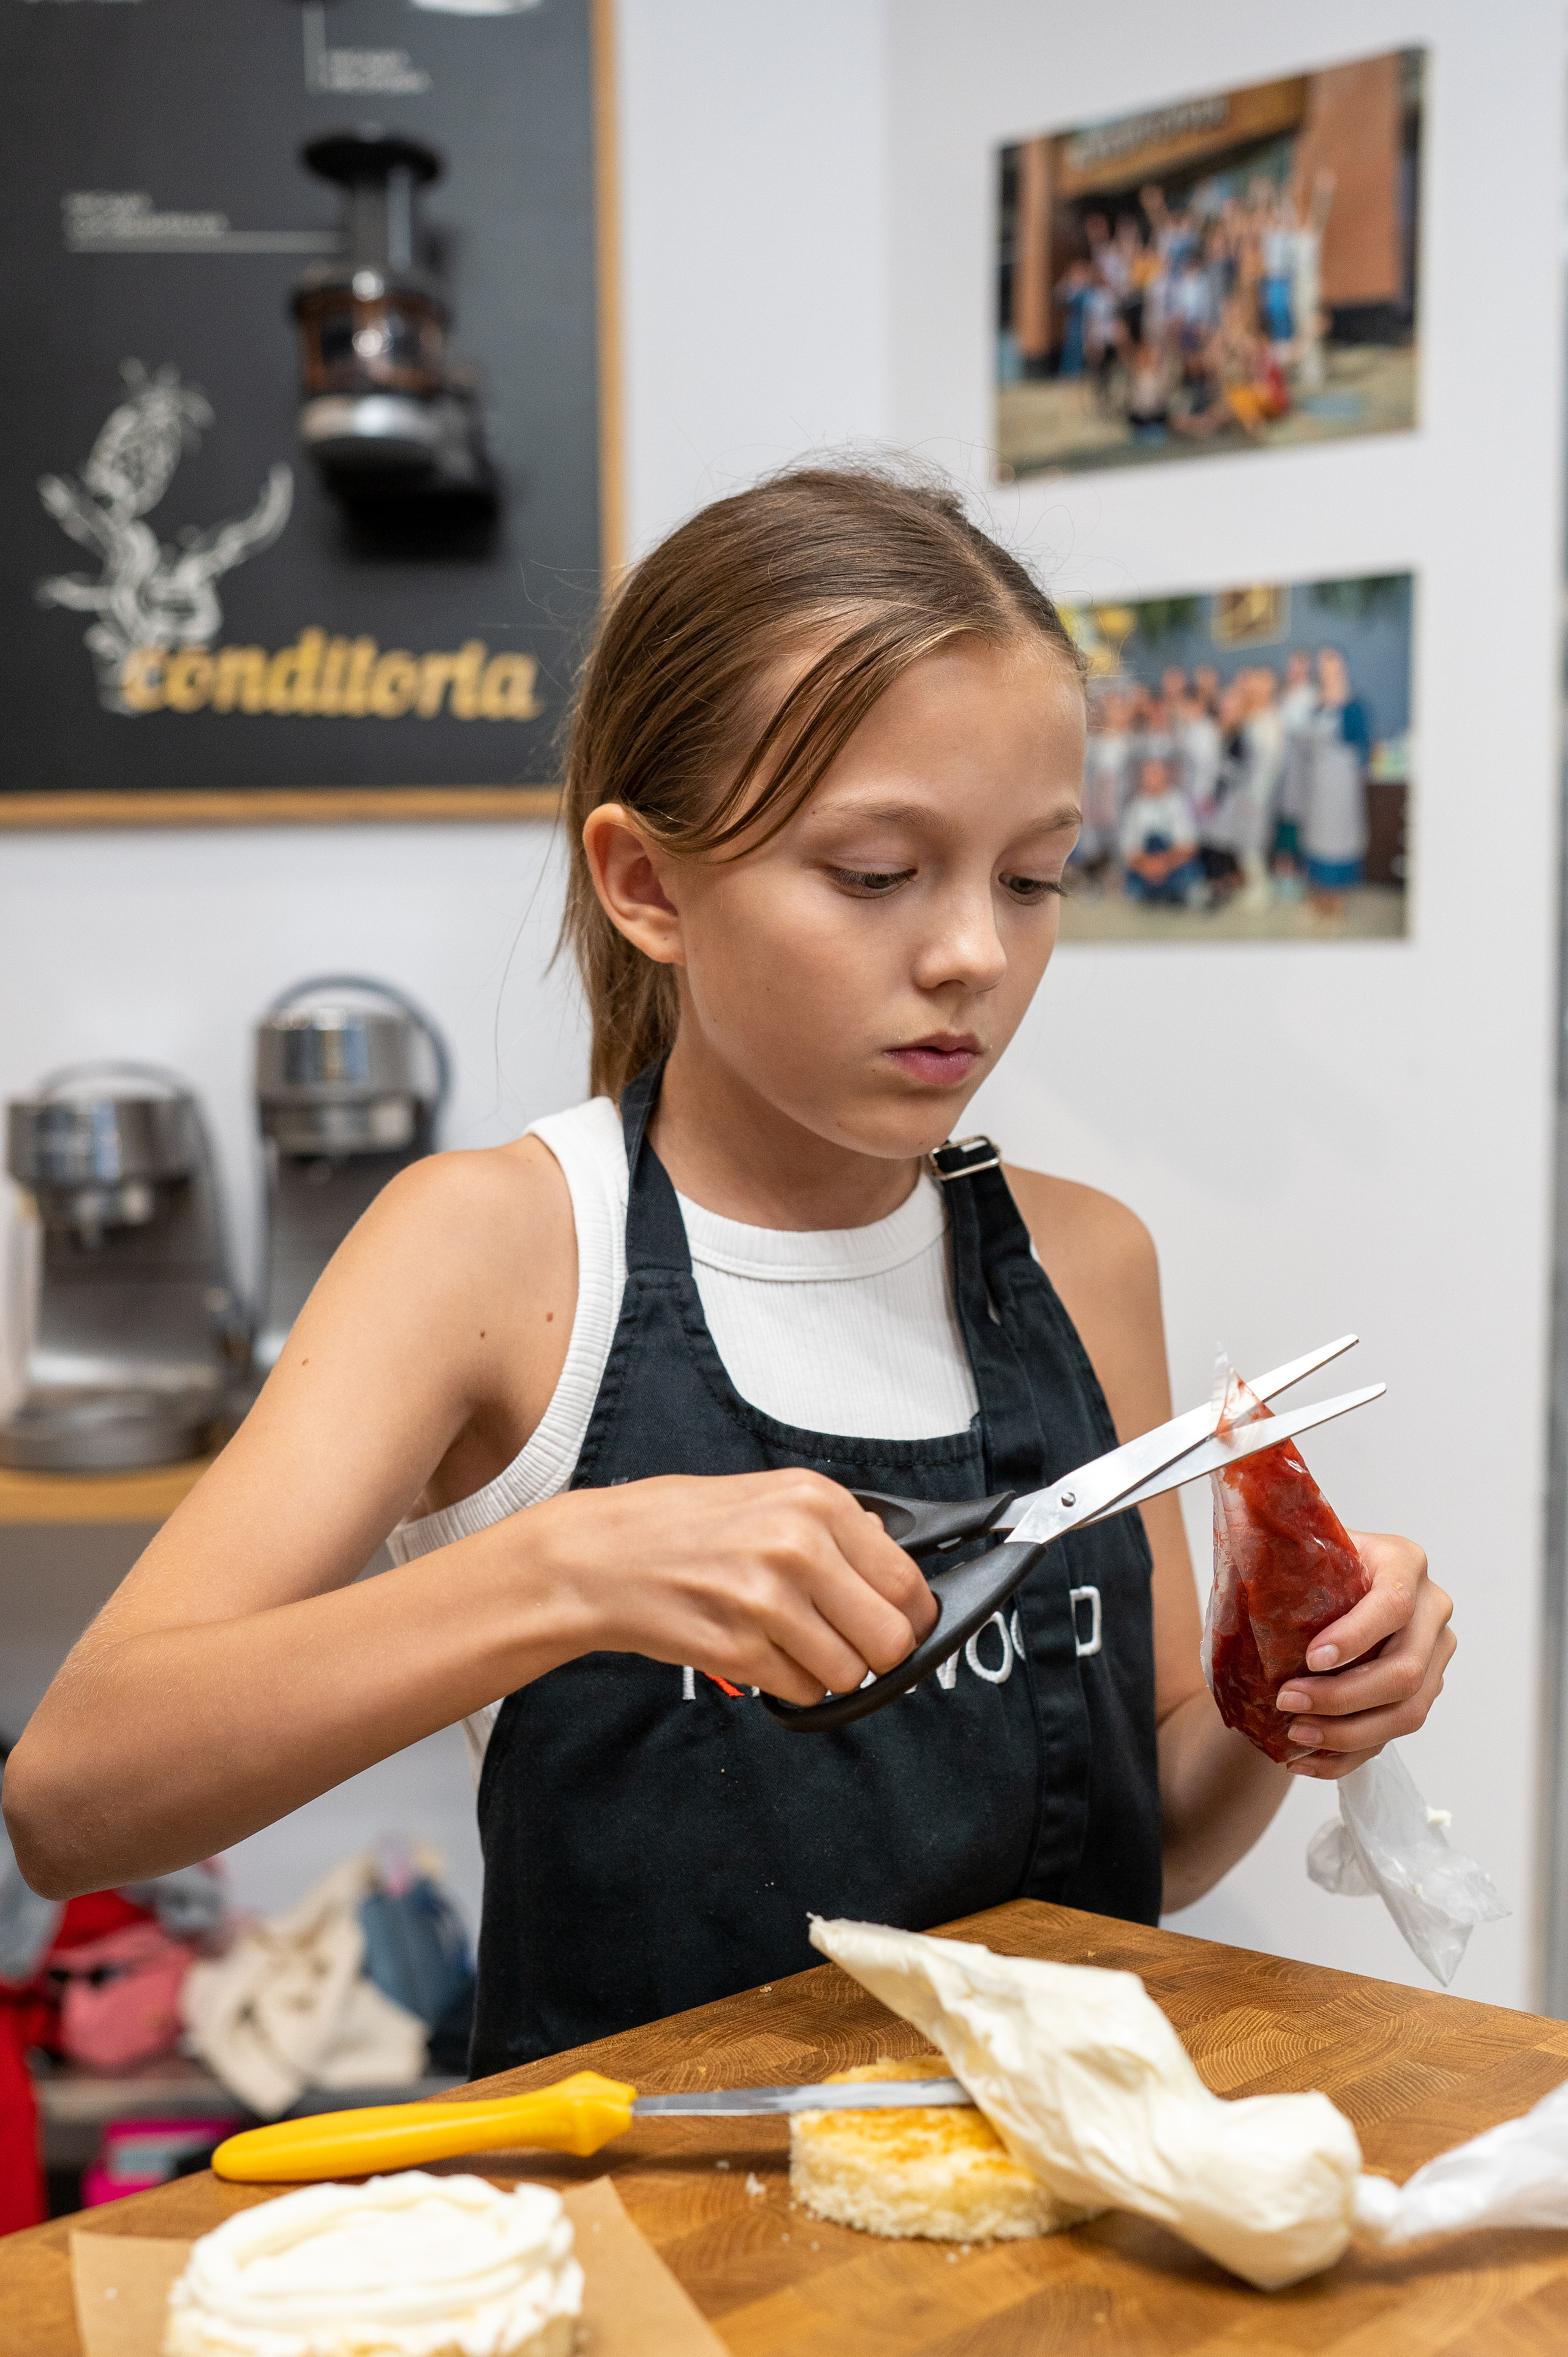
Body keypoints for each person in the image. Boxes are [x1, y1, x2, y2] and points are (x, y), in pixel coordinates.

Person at [2, 466, 1452, 2079]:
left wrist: (1293, 1707)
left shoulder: (1090, 1263)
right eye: (877, 874)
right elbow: (71, 1799)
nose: (975, 951)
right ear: (646, 884)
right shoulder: (493, 1250)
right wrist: (564, 1576)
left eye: (1034, 877)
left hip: (1052, 2253)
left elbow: (1151, 1847)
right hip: (649, 2276)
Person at [1302, 646, 1371, 916]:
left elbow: (1363, 748)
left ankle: (1336, 902)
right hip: (1318, 788)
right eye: (1323, 666)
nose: (1327, 671)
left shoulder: (1354, 705)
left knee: (1339, 843)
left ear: (1343, 668)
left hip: (1341, 789)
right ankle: (1318, 898)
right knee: (1317, 841)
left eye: (1333, 665)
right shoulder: (1316, 706)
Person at [1118, 753, 1206, 907]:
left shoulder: (1178, 802)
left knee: (1188, 882)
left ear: (1166, 776)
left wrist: (1163, 864)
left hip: (1173, 866)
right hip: (1145, 867)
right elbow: (1128, 849)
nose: (1151, 779)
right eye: (1148, 775)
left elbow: (1189, 846)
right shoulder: (1135, 806)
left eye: (1156, 774)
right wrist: (1148, 866)